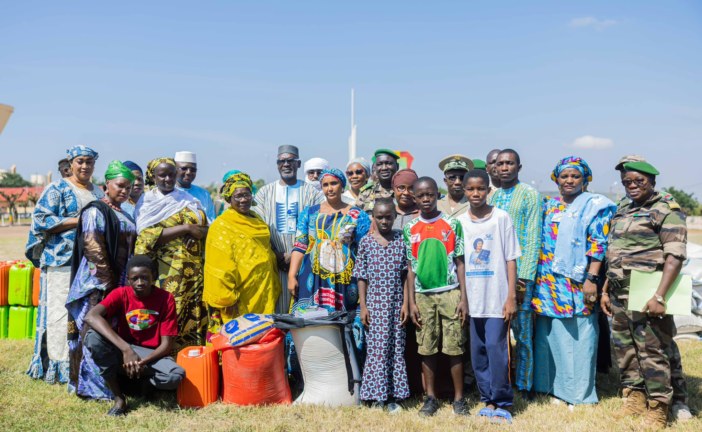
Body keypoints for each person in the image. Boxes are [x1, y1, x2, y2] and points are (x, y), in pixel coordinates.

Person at [602, 160, 688, 429]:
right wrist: (605, 289)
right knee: (626, 351)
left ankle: (659, 407)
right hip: (619, 293)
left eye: (639, 180)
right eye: (628, 181)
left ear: (652, 181)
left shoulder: (665, 209)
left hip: (648, 293)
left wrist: (660, 296)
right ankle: (634, 398)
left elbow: (674, 256)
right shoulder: (624, 208)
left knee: (652, 352)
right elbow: (615, 251)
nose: (633, 185)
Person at [531, 157, 616, 406]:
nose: (569, 180)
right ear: (556, 179)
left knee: (580, 336)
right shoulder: (548, 206)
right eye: (564, 176)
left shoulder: (595, 206)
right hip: (547, 282)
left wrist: (591, 278)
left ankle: (579, 394)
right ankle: (553, 389)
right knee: (550, 334)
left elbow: (598, 244)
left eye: (575, 176)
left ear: (585, 180)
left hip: (578, 282)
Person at [26, 145, 105, 384]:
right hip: (61, 259)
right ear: (70, 163)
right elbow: (41, 219)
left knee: (85, 312)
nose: (84, 166)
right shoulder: (57, 188)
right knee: (60, 312)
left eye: (89, 162)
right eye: (80, 161)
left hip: (89, 263)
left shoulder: (98, 191)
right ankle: (59, 365)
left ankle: (83, 362)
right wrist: (78, 221)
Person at [65, 161, 137, 399]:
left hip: (120, 281)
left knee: (111, 331)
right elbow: (93, 247)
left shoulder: (123, 212)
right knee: (93, 331)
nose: (125, 191)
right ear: (107, 184)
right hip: (98, 284)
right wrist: (108, 286)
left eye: (129, 187)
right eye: (120, 185)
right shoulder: (96, 210)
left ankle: (112, 381)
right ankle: (91, 386)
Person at [83, 255, 184, 416]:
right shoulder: (120, 294)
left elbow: (166, 345)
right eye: (134, 278)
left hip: (151, 354)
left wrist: (143, 361)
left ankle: (142, 385)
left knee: (175, 376)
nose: (139, 283)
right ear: (128, 280)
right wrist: (126, 350)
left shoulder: (166, 299)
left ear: (154, 277)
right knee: (93, 337)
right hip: (124, 350)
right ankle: (119, 398)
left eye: (145, 278)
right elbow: (91, 316)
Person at [457, 169, 520, 424]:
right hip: (473, 300)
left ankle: (503, 400)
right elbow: (460, 261)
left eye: (480, 189)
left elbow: (511, 257)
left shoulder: (501, 218)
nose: (475, 193)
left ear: (488, 190)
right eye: (470, 189)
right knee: (478, 351)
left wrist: (511, 296)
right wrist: (463, 298)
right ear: (464, 191)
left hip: (496, 298)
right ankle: (487, 399)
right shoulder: (460, 221)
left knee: (497, 349)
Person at [404, 177, 468, 417]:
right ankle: (430, 397)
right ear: (415, 198)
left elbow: (460, 262)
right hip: (423, 296)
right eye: (421, 196)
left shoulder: (452, 224)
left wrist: (463, 297)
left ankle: (459, 399)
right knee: (427, 346)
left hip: (450, 293)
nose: (426, 199)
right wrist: (410, 302)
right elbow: (411, 267)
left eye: (430, 194)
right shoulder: (411, 228)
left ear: (437, 194)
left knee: (454, 346)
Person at [134, 157, 208, 350]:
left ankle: (195, 367)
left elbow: (205, 227)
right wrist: (186, 228)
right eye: (162, 175)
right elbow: (145, 237)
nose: (168, 179)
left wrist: (199, 233)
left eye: (171, 174)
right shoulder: (148, 201)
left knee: (196, 314)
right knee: (171, 314)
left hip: (194, 273)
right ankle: (168, 363)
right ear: (153, 177)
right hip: (166, 273)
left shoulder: (188, 199)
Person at [488, 149, 542, 396]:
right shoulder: (495, 196)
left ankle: (524, 384)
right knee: (498, 332)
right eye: (500, 164)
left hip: (520, 276)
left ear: (519, 167)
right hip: (495, 275)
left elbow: (532, 237)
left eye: (510, 163)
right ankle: (502, 380)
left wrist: (523, 279)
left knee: (522, 333)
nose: (505, 167)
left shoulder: (530, 195)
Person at [203, 171, 281, 342]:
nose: (243, 200)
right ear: (229, 198)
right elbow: (219, 268)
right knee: (239, 339)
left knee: (263, 337)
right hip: (239, 296)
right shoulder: (221, 226)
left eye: (246, 194)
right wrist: (227, 299)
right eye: (238, 196)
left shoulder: (257, 220)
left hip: (262, 290)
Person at [253, 145, 324, 313]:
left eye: (290, 161)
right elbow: (257, 227)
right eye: (282, 161)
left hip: (304, 262)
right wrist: (276, 254)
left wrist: (296, 256)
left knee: (301, 310)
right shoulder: (264, 193)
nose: (286, 164)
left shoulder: (312, 193)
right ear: (277, 164)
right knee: (275, 311)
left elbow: (319, 226)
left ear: (298, 164)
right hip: (273, 262)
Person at [288, 168, 371, 311]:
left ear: (342, 185)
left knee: (343, 324)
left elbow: (365, 251)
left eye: (334, 183)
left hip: (344, 279)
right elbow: (300, 246)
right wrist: (291, 276)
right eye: (325, 185)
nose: (330, 188)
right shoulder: (309, 213)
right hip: (311, 277)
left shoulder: (357, 215)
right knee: (309, 321)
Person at [355, 197, 409, 412]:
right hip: (375, 305)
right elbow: (361, 276)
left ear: (395, 217)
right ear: (373, 218)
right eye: (380, 217)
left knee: (396, 348)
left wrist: (406, 303)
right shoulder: (366, 243)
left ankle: (395, 395)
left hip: (397, 305)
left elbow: (407, 274)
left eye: (388, 217)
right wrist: (364, 306)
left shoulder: (401, 239)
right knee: (377, 350)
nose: (384, 221)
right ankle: (376, 395)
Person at [174, 151, 216, 223]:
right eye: (184, 168)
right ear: (175, 169)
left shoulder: (204, 194)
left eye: (193, 170)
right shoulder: (167, 192)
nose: (188, 172)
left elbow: (212, 221)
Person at [356, 149, 399, 213]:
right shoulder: (366, 192)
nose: (384, 168)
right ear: (375, 168)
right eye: (379, 164)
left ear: (397, 166)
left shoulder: (403, 191)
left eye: (389, 163)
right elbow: (357, 218)